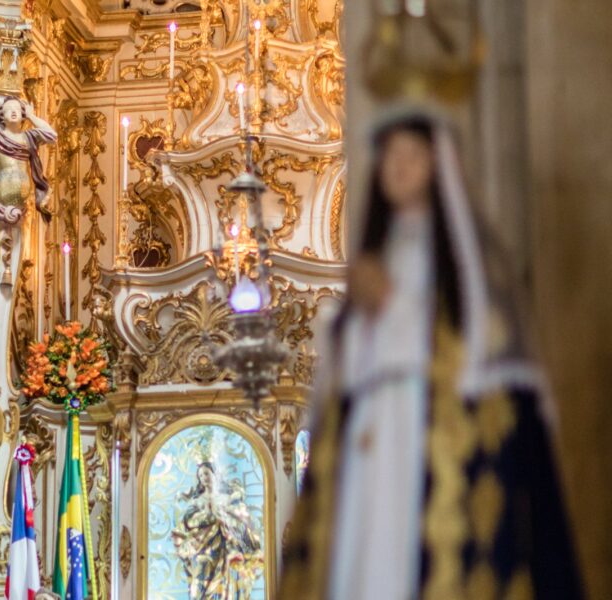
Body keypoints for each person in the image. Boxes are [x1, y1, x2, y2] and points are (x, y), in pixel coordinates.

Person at [279, 109, 584, 600]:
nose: (399, 167)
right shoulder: (374, 258)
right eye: (391, 155)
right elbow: (346, 372)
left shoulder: (464, 269)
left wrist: (390, 304)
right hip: (369, 446)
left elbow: (470, 346)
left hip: (424, 433)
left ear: (437, 166)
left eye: (413, 155)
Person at [171, 462, 263, 599]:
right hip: (203, 547)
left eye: (206, 473)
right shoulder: (198, 501)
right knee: (199, 581)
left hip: (224, 547)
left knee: (227, 580)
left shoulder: (226, 498)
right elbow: (189, 522)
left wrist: (227, 515)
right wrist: (210, 516)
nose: (203, 477)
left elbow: (241, 519)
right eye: (201, 475)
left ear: (214, 474)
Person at [0, 96, 56, 226]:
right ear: (1, 116)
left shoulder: (28, 137)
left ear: (22, 115)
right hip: (1, 197)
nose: (13, 112)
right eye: (9, 109)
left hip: (21, 201)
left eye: (17, 109)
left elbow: (52, 136)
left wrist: (31, 116)